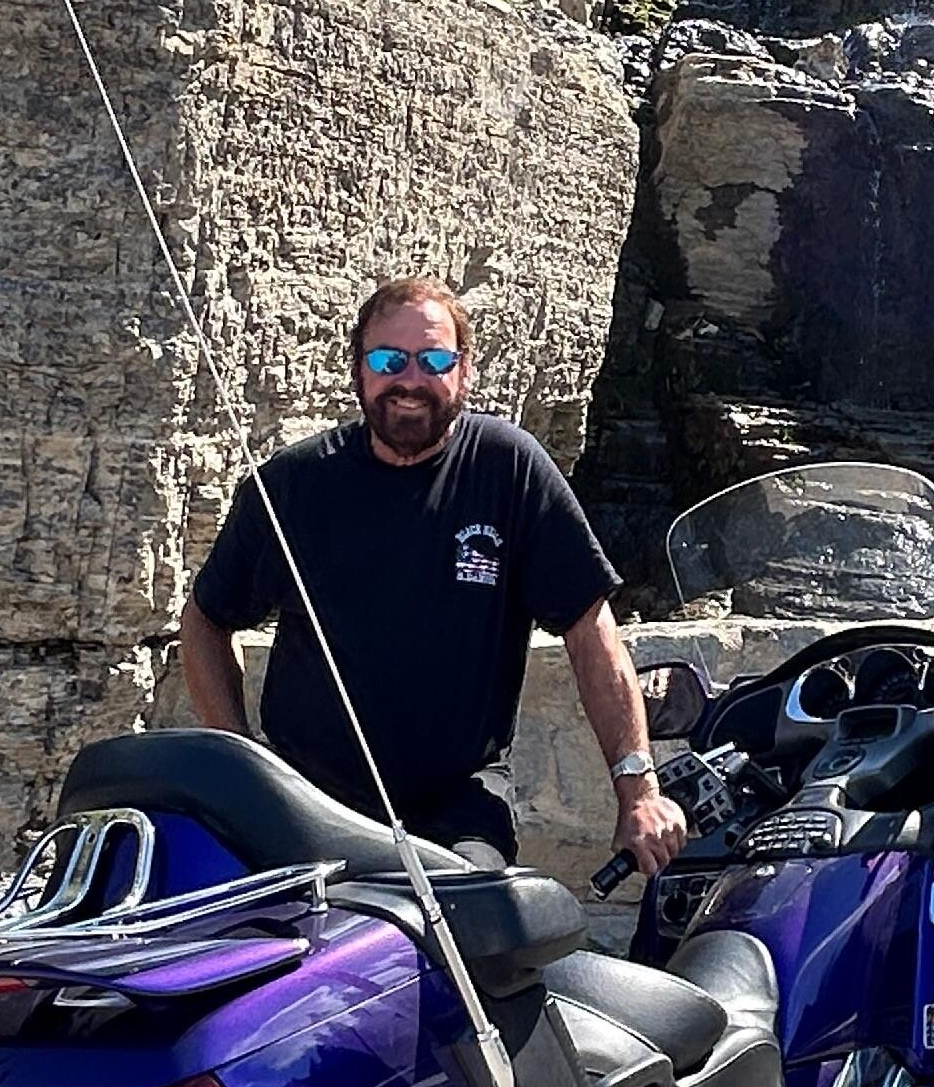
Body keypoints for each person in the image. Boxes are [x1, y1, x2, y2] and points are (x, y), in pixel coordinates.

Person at [179, 274, 689, 880]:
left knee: (475, 941)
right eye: (390, 359)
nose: (410, 380)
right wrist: (245, 764)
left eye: (434, 359)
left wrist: (639, 790)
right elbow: (207, 619)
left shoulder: (510, 469)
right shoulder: (293, 483)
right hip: (308, 808)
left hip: (459, 813)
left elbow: (589, 628)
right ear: (359, 371)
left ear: (464, 371)